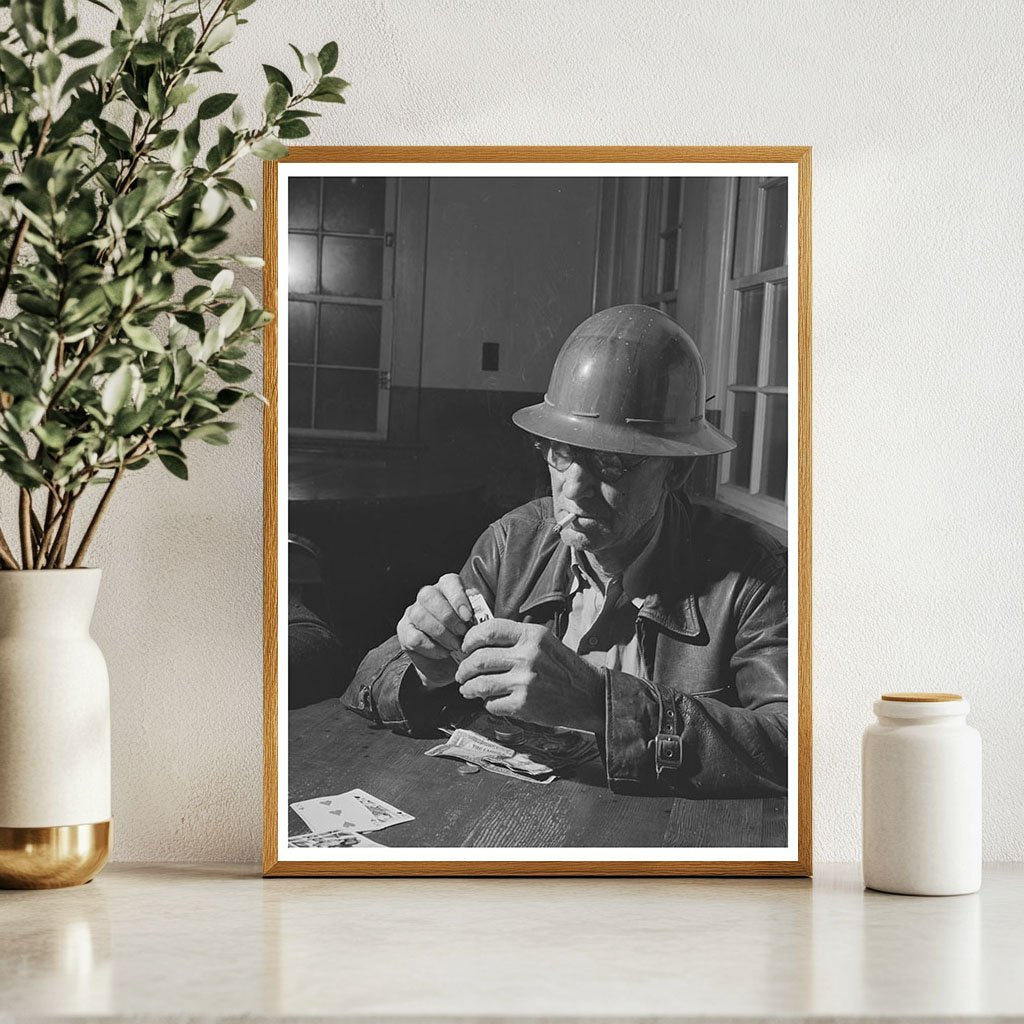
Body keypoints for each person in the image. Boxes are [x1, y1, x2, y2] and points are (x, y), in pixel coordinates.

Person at [343, 305, 787, 798]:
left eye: (613, 463)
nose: (575, 488)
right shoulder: (513, 543)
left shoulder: (753, 575)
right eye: (561, 453)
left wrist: (601, 702)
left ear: (676, 470)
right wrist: (425, 670)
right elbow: (366, 683)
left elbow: (797, 748)